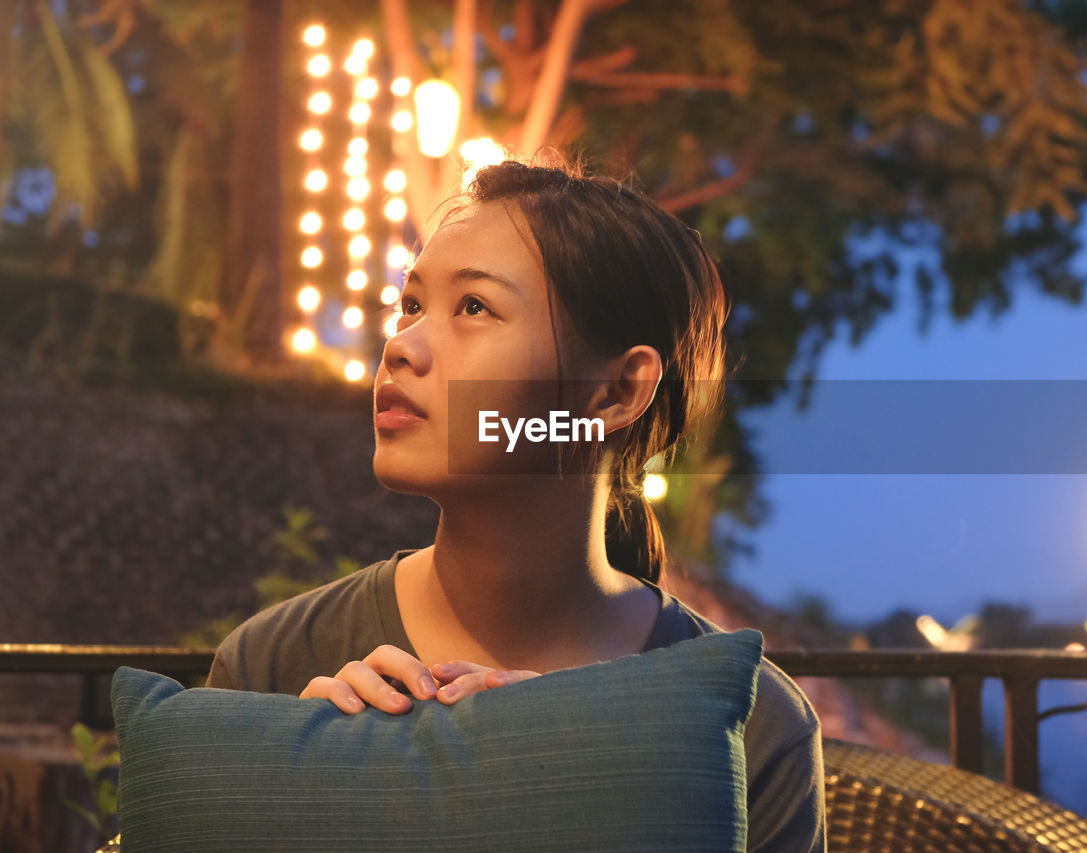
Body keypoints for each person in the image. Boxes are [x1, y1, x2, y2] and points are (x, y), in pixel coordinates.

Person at [207, 158, 825, 851]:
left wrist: (582, 797)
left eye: (474, 307)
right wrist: (299, 800)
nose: (402, 346)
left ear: (617, 394)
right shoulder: (274, 668)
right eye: (411, 304)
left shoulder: (755, 727)